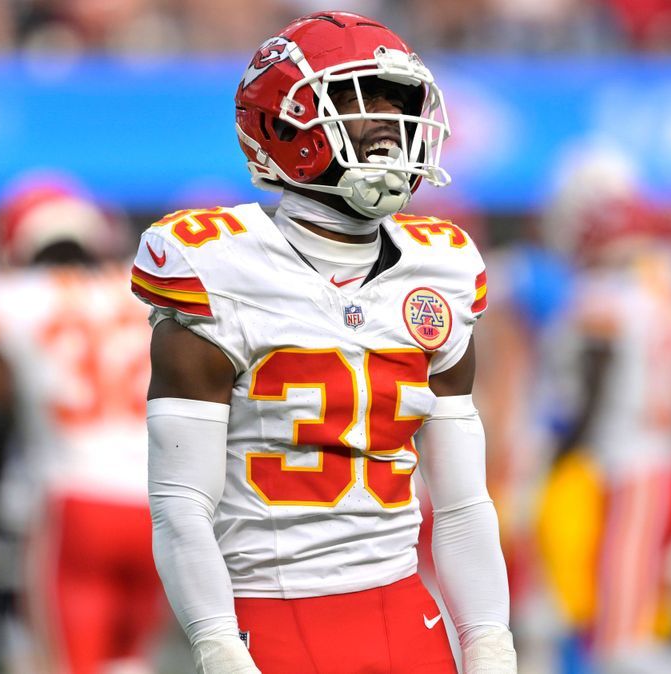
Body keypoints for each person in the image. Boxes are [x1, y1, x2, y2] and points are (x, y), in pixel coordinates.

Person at [128, 11, 515, 674]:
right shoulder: (213, 265)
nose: (392, 125)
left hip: (405, 617)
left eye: (401, 104)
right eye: (364, 100)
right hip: (273, 620)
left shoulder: (443, 266)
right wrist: (217, 642)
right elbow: (181, 503)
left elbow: (460, 500)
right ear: (282, 125)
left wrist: (488, 638)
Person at [0, 176, 168, 674]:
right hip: (158, 503)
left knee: (68, 664)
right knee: (129, 663)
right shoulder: (143, 291)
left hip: (76, 503)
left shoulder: (11, 299)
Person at [544, 197, 671, 674]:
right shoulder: (667, 291)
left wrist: (560, 456)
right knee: (636, 623)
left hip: (627, 467)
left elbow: (590, 387)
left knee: (618, 636)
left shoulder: (603, 297)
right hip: (667, 463)